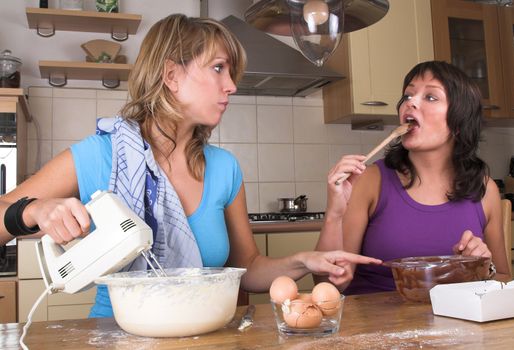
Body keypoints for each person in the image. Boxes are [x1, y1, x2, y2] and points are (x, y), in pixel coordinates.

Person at [0, 14, 381, 317]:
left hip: (210, 333)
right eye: (218, 68)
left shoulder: (224, 168)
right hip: (117, 334)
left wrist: (303, 260)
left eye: (232, 73)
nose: (231, 85)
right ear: (171, 76)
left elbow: (246, 269)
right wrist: (32, 210)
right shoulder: (100, 155)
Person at [315, 60, 511, 295]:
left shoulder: (484, 190)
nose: (411, 102)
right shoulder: (370, 180)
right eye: (408, 95)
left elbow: (503, 278)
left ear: (459, 122)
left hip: (455, 328)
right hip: (375, 326)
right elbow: (328, 286)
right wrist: (334, 214)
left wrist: (480, 268)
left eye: (430, 97)